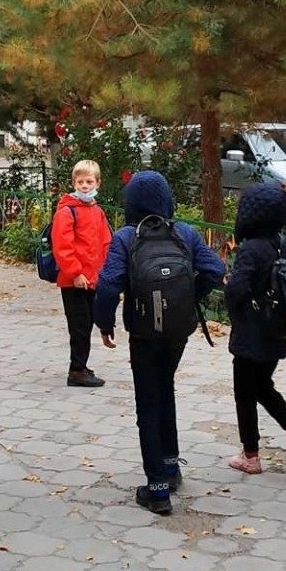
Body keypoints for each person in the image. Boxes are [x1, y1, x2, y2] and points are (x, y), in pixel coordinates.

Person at [94, 170, 226, 516]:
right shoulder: (185, 233)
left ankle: (156, 489)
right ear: (167, 200)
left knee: (148, 403)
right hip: (178, 330)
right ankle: (170, 466)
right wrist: (188, 298)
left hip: (143, 332)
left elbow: (107, 285)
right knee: (165, 389)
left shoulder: (126, 237)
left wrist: (105, 323)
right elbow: (215, 270)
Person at [223, 181, 286, 474]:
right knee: (262, 386)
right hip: (278, 329)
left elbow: (237, 289)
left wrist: (227, 287)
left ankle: (250, 456)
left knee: (245, 393)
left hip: (251, 333)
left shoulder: (251, 248)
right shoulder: (282, 244)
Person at [51, 159, 112, 387]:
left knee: (86, 325)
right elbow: (62, 246)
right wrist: (75, 273)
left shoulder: (97, 211)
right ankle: (76, 370)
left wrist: (104, 272)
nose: (85, 186)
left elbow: (105, 243)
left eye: (89, 182)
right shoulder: (67, 211)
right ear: (74, 183)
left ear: (98, 183)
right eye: (80, 182)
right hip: (74, 281)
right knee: (79, 326)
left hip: (92, 279)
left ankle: (81, 365)